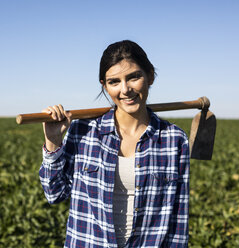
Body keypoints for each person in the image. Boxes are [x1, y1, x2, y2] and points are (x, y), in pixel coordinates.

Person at [39, 40, 190, 248]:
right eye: (114, 82)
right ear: (105, 85)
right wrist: (53, 141)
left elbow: (178, 221)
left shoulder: (174, 140)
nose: (125, 89)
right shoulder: (84, 132)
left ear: (150, 76)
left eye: (134, 77)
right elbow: (54, 194)